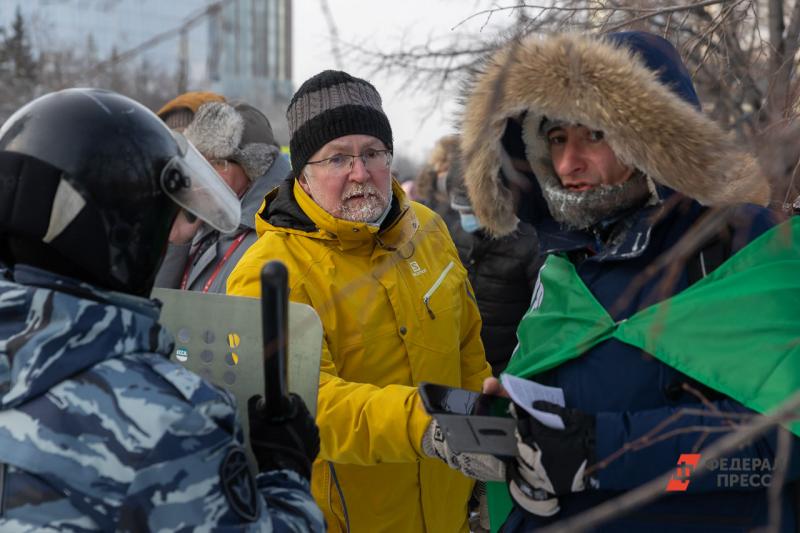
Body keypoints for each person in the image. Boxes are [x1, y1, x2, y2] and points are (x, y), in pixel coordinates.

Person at [458, 31, 800, 530]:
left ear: (654, 141)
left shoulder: (742, 244)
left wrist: (600, 453)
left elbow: (778, 447)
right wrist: (517, 429)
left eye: (594, 135)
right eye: (556, 139)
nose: (568, 163)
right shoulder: (565, 265)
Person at [0, 88, 323, 531]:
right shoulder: (165, 422)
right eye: (164, 218)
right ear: (130, 229)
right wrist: (285, 473)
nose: (173, 233)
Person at [227, 70, 494, 532]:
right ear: (304, 176)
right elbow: (306, 404)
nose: (360, 172)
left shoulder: (428, 230)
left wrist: (487, 448)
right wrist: (424, 424)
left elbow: (468, 348)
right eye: (337, 159)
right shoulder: (268, 271)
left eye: (373, 153)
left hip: (450, 515)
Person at [154, 93, 290, 293]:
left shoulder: (273, 235)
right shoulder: (204, 225)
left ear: (252, 169)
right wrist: (178, 242)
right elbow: (160, 306)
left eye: (217, 163)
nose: (203, 176)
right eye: (199, 163)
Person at [445, 153, 541, 376]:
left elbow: (539, 320)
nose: (466, 218)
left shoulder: (530, 242)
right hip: (463, 360)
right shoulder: (454, 232)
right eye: (461, 211)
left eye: (472, 212)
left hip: (508, 366)